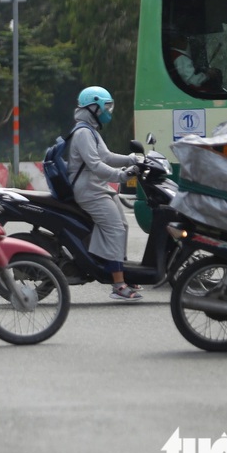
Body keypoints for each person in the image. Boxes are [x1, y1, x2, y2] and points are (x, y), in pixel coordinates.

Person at [67, 86, 143, 301]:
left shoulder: (91, 131)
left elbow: (107, 157)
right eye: (106, 106)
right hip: (89, 191)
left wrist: (131, 159)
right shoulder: (82, 133)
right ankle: (118, 285)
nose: (109, 110)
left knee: (123, 226)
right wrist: (122, 175)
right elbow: (96, 165)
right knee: (115, 228)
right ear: (94, 107)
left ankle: (123, 273)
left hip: (97, 188)